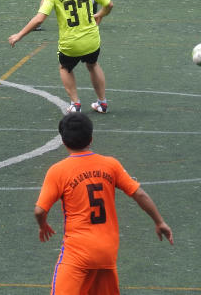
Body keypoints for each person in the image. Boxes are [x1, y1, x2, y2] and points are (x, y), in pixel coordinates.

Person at [34, 112, 174, 294]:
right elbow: (139, 194)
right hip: (107, 252)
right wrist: (159, 222)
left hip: (78, 252)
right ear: (91, 138)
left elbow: (39, 211)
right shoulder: (110, 165)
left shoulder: (58, 171)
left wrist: (43, 225)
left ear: (63, 141)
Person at [9, 0, 113, 114]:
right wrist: (100, 14)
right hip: (92, 40)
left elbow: (39, 19)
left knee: (65, 68)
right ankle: (102, 103)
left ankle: (76, 104)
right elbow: (109, 4)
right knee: (92, 65)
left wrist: (19, 35)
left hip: (70, 43)